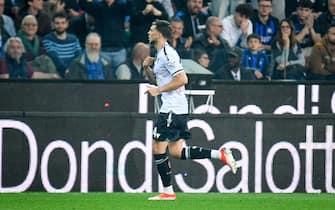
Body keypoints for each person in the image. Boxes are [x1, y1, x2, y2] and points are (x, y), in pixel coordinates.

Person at [143, 20, 237, 200]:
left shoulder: (168, 54)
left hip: (172, 108)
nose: (148, 32)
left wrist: (158, 91)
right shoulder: (161, 54)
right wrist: (147, 67)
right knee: (177, 152)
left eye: (151, 29)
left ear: (160, 34)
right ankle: (221, 154)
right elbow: (158, 81)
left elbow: (182, 79)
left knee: (157, 147)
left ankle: (168, 192)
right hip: (175, 107)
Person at [79, 0, 129, 69]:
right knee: (102, 76)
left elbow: (133, 8)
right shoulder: (97, 7)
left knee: (123, 72)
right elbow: (83, 4)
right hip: (103, 50)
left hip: (119, 49)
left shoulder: (122, 6)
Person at [43, 12, 82, 77]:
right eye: (57, 23)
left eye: (63, 23)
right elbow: (55, 58)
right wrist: (66, 70)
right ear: (52, 24)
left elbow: (79, 57)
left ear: (67, 24)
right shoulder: (48, 39)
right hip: (57, 73)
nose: (60, 26)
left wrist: (72, 70)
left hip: (73, 72)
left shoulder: (74, 39)